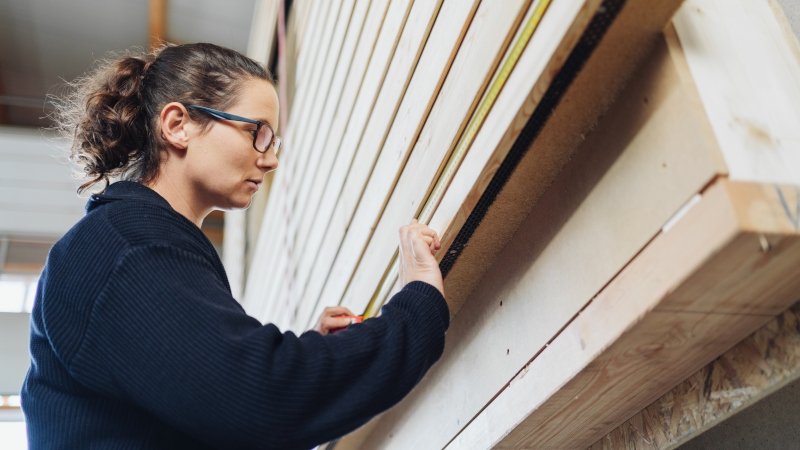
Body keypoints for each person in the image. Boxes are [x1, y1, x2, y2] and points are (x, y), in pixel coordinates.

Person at [21, 43, 449, 450]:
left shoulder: (141, 245)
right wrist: (418, 306)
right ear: (178, 125)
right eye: (257, 132)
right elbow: (263, 400)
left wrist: (314, 351)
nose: (271, 158)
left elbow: (228, 418)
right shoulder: (129, 246)